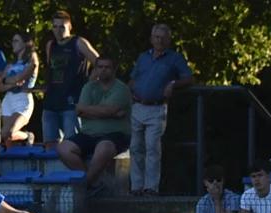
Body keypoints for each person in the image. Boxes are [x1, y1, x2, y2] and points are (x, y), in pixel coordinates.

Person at [128, 24, 195, 196]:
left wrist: (173, 84)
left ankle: (150, 188)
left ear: (169, 40)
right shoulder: (143, 57)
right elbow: (133, 79)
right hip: (137, 106)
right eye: (156, 37)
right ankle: (136, 187)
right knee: (135, 148)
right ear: (151, 39)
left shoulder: (174, 58)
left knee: (152, 148)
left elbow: (189, 78)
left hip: (156, 108)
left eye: (163, 37)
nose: (159, 40)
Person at [57, 56, 132, 197]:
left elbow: (105, 110)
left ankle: (84, 186)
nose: (103, 70)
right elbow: (80, 111)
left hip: (115, 134)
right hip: (88, 133)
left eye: (107, 67)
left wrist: (89, 110)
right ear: (96, 69)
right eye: (100, 67)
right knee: (63, 148)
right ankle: (94, 183)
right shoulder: (88, 87)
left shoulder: (121, 89)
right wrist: (107, 113)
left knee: (104, 147)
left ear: (114, 70)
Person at [42, 11, 99, 149]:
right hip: (51, 100)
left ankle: (75, 171)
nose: (58, 30)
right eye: (55, 27)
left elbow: (99, 62)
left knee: (73, 143)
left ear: (70, 26)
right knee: (50, 143)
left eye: (62, 26)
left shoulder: (78, 43)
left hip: (72, 101)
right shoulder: (50, 45)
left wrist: (88, 85)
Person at [0, 32, 39, 146]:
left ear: (26, 43)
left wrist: (6, 80)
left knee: (7, 133)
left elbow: (21, 77)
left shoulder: (32, 58)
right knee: (7, 140)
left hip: (23, 99)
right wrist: (10, 84)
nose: (13, 44)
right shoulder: (10, 64)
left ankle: (28, 136)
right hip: (8, 100)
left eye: (16, 41)